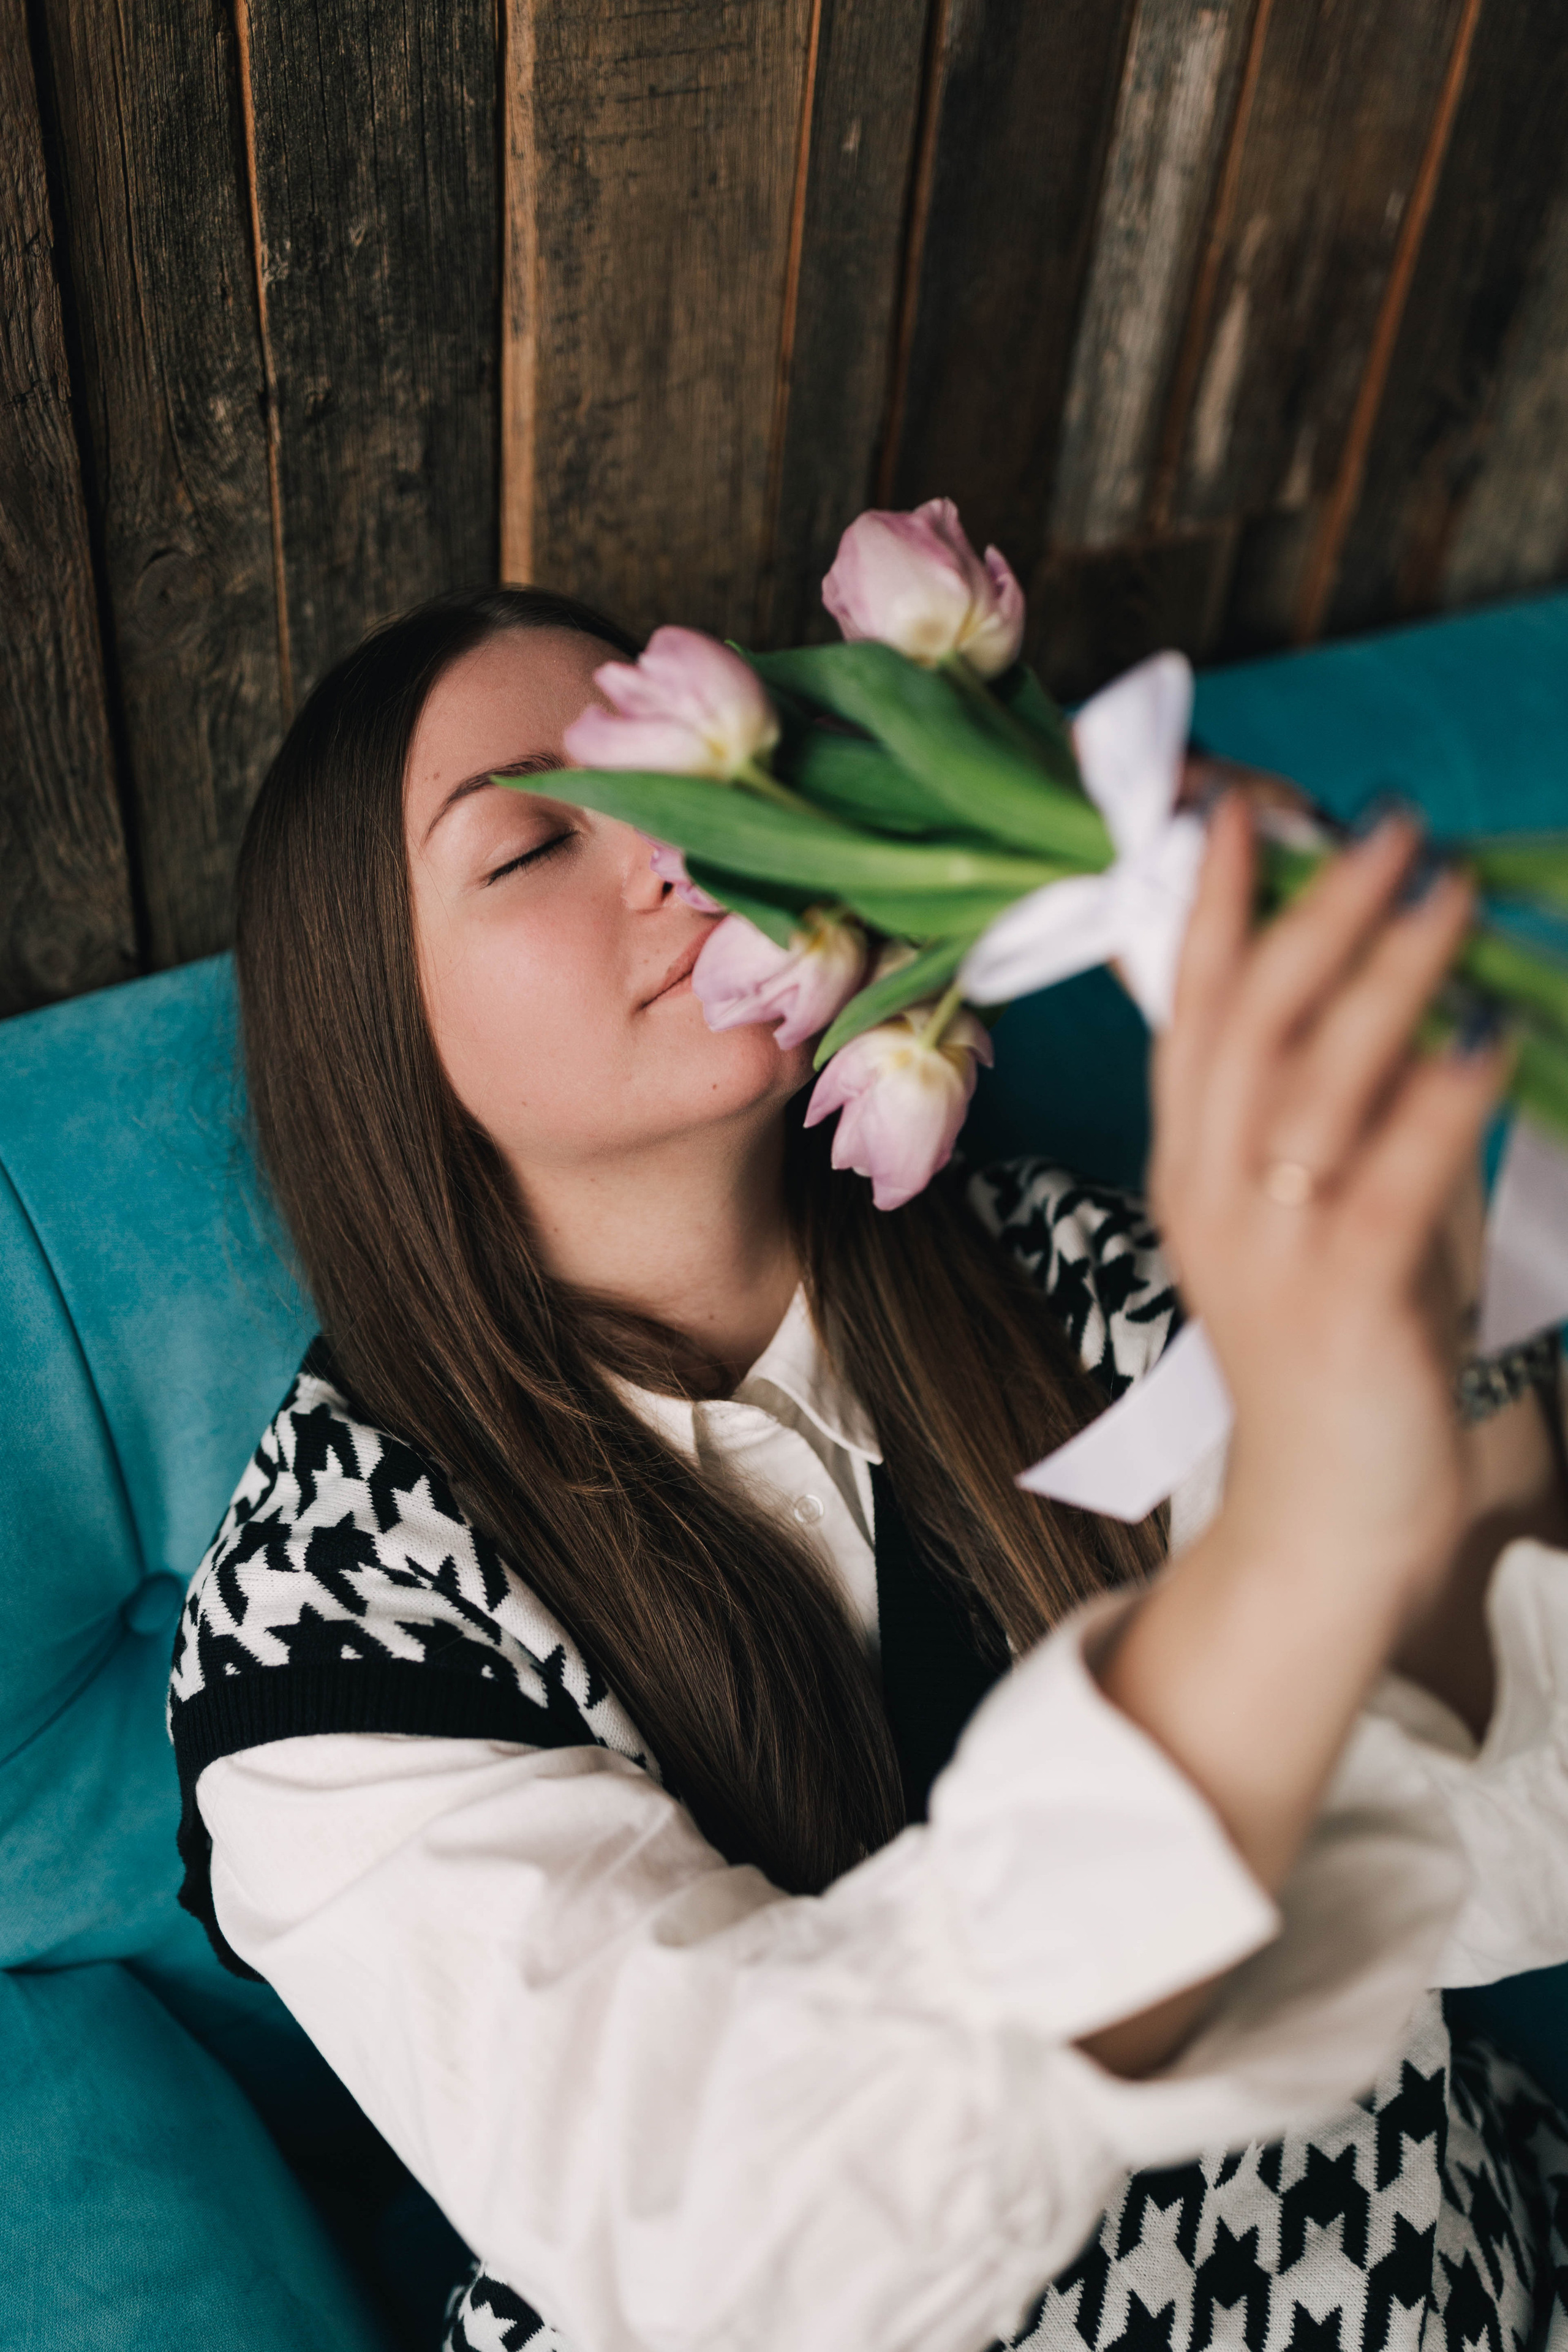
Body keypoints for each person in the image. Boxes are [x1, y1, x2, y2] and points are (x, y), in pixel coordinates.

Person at [170, 586, 1568, 2352]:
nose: (679, 853)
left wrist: (1455, 1316)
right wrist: (1305, 1545)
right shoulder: (331, 1612)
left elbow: (1509, 1829)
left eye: (703, 778)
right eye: (533, 842)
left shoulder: (1058, 1270)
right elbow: (726, 2235)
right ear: (376, 1033)